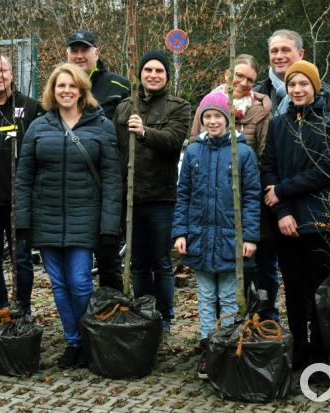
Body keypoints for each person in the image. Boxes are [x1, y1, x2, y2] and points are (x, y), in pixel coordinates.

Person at [15, 63, 122, 368]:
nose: (66, 91)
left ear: (82, 90)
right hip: (46, 217)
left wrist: (109, 224)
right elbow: (24, 177)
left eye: (72, 86)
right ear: (52, 90)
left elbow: (112, 179)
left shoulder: (100, 126)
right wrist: (23, 221)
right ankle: (73, 341)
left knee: (79, 281)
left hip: (83, 216)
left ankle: (91, 339)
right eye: (60, 86)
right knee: (59, 285)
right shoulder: (38, 126)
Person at [259, 60, 330, 370]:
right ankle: (299, 348)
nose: (297, 89)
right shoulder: (279, 124)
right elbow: (267, 166)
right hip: (285, 221)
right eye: (292, 84)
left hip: (318, 220)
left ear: (315, 87)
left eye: (303, 84)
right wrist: (281, 210)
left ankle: (321, 353)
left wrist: (281, 191)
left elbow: (326, 170)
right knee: (292, 289)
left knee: (317, 289)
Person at [172, 91, 261, 379]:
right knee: (206, 296)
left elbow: (251, 197)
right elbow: (183, 194)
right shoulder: (194, 153)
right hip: (199, 236)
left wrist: (249, 236)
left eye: (217, 116)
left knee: (229, 296)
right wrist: (181, 232)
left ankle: (228, 345)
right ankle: (210, 347)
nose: (212, 121)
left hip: (230, 238)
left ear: (228, 118)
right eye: (206, 116)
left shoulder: (242, 153)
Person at [189, 54, 278, 322]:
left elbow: (264, 151)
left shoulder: (262, 108)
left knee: (258, 263)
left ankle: (261, 318)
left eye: (250, 79)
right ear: (228, 74)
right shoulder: (208, 104)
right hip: (212, 199)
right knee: (217, 271)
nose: (243, 82)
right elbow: (195, 141)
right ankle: (218, 328)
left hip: (249, 194)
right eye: (239, 75)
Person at [112, 50, 191, 332]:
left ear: (167, 75)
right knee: (138, 263)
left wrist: (145, 132)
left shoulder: (178, 106)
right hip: (130, 198)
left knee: (161, 261)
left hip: (161, 197)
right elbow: (115, 150)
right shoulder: (123, 107)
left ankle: (165, 318)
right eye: (148, 70)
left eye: (159, 71)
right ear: (140, 74)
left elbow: (173, 141)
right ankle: (145, 313)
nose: (153, 75)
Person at [0, 53, 41, 317]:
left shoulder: (30, 107)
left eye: (2, 70)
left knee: (22, 260)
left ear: (11, 74)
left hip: (20, 199)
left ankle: (22, 308)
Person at [66, 30, 130, 291]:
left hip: (108, 182)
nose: (79, 56)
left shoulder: (119, 85)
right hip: (73, 183)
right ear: (67, 54)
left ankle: (111, 304)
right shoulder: (61, 86)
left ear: (97, 52)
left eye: (85, 50)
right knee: (76, 252)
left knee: (108, 250)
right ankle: (80, 306)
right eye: (74, 50)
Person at [253, 29, 330, 117]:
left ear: (300, 54)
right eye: (274, 51)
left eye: (286, 50)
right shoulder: (257, 93)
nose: (279, 56)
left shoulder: (324, 94)